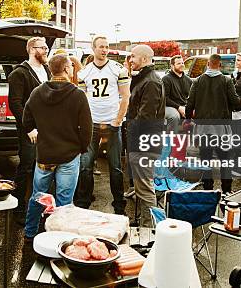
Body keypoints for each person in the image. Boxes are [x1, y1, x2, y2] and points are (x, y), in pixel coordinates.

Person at [23, 54, 92, 239]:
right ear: (67, 69)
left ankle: (30, 233)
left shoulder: (37, 92)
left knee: (38, 196)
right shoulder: (77, 95)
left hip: (45, 154)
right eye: (70, 66)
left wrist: (34, 132)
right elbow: (87, 128)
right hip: (69, 155)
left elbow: (26, 119)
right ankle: (59, 238)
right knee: (64, 201)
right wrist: (81, 147)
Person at [76, 36, 130, 215]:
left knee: (115, 167)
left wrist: (117, 120)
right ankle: (84, 201)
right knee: (86, 165)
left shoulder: (118, 69)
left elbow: (125, 97)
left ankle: (119, 204)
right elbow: (82, 100)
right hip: (92, 124)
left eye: (107, 47)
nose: (104, 50)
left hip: (112, 124)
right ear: (93, 48)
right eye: (101, 47)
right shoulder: (84, 72)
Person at [9, 37, 51, 223]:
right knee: (26, 166)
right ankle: (18, 207)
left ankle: (41, 205)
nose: (47, 50)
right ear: (32, 49)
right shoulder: (20, 73)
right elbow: (15, 104)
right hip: (30, 129)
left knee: (43, 167)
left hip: (47, 128)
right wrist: (29, 128)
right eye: (43, 47)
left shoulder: (47, 70)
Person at [186, 54, 241, 194]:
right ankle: (227, 191)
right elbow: (235, 101)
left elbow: (189, 103)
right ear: (220, 65)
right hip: (221, 128)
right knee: (225, 161)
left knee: (205, 161)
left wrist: (188, 119)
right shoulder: (226, 81)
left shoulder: (197, 81)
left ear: (208, 64)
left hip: (203, 128)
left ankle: (208, 191)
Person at [126, 44, 165, 227]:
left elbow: (145, 118)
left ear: (143, 59)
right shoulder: (145, 79)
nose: (130, 60)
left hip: (144, 143)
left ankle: (150, 228)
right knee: (143, 188)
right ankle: (146, 224)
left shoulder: (150, 82)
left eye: (132, 56)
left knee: (145, 189)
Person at [162, 55, 192, 133]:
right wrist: (178, 107)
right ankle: (171, 141)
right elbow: (165, 98)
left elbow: (191, 97)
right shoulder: (166, 79)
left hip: (184, 106)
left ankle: (198, 141)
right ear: (172, 66)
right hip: (170, 106)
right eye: (179, 63)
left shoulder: (188, 80)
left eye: (182, 63)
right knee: (174, 117)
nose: (182, 65)